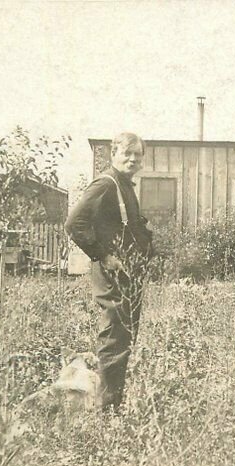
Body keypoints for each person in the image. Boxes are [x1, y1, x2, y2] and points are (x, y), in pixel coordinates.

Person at [64, 132, 153, 411]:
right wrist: (102, 255)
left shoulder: (126, 186)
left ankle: (113, 402)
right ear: (113, 154)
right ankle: (107, 411)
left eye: (137, 154)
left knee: (124, 337)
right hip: (113, 274)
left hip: (129, 273)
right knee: (115, 338)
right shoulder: (106, 184)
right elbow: (74, 223)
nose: (132, 158)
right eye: (126, 153)